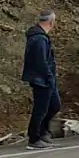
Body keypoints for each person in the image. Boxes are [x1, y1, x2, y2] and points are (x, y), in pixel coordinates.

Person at [22, 9, 60, 150]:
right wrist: (49, 77)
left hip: (47, 78)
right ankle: (34, 137)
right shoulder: (39, 38)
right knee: (41, 109)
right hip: (42, 79)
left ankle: (43, 132)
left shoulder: (40, 37)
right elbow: (40, 62)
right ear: (51, 22)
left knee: (54, 105)